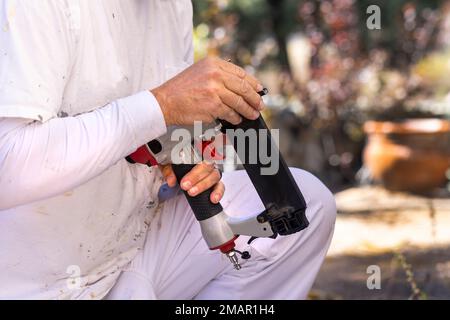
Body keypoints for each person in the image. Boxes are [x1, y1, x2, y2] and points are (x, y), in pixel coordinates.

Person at [0, 0, 336, 299]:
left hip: (129, 251)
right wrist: (161, 105)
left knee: (312, 202)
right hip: (35, 280)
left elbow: (163, 128)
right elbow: (7, 163)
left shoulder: (171, 5)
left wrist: (192, 154)